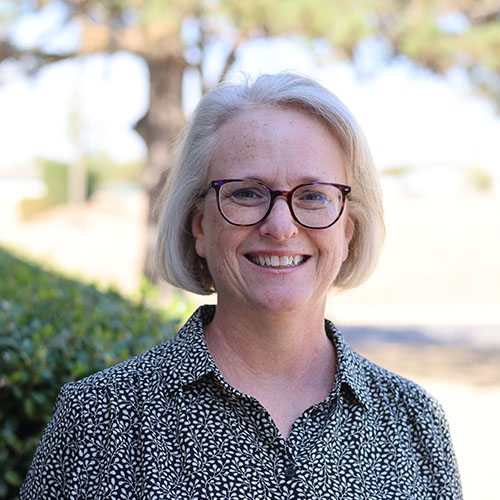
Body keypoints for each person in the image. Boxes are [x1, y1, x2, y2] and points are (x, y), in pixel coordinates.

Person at [21, 73, 462, 499]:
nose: (280, 227)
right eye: (247, 193)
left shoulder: (415, 420)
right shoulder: (98, 420)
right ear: (199, 226)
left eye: (313, 195)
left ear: (348, 231)